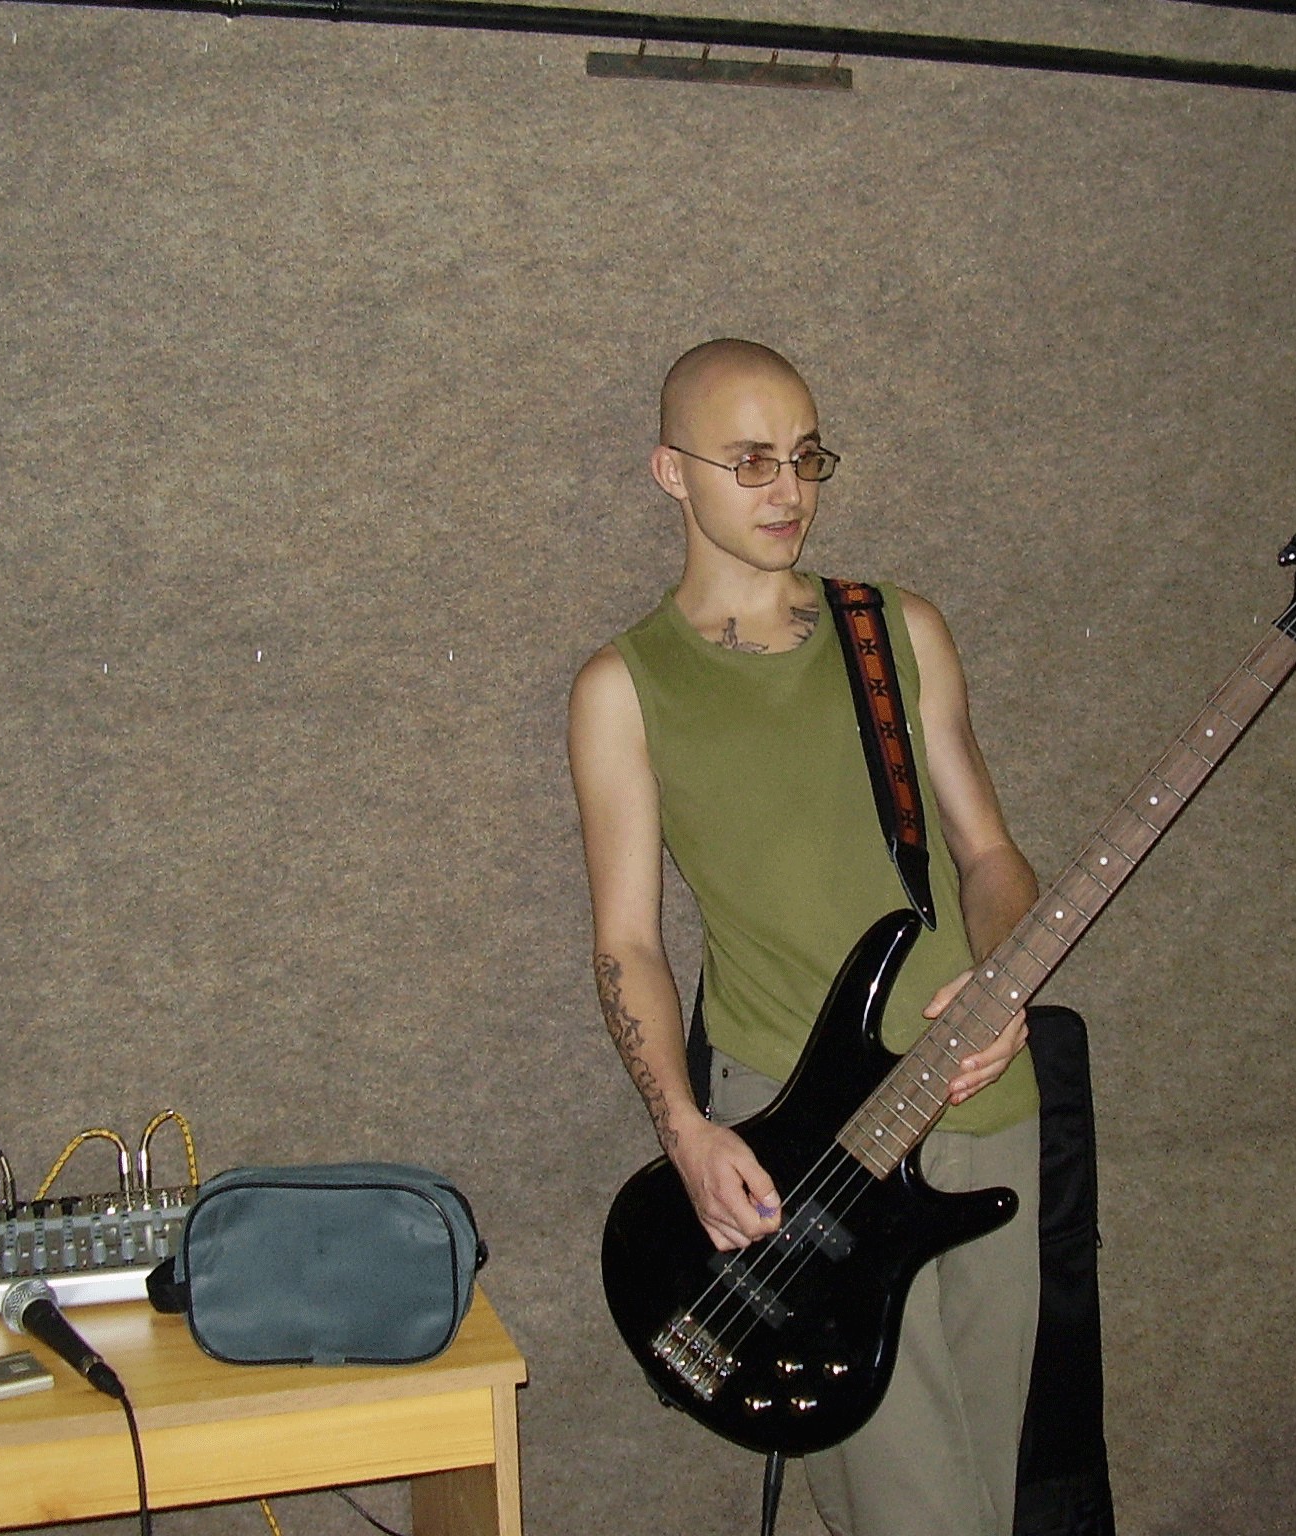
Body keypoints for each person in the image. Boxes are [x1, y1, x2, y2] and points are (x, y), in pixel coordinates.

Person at [569, 337, 1042, 1536]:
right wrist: (683, 1130)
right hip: (798, 1137)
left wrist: (1001, 980)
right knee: (911, 1515)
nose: (787, 491)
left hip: (982, 1101)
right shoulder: (623, 687)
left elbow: (989, 857)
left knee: (990, 1494)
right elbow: (626, 943)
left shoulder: (897, 632)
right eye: (749, 462)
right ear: (669, 473)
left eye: (804, 457)